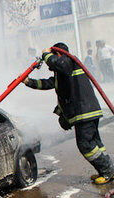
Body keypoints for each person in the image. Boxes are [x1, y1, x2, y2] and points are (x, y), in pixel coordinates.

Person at [22, 43, 114, 185]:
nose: (49, 65)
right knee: (95, 143)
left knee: (85, 145)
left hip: (84, 112)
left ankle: (107, 171)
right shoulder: (65, 71)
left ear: (59, 54)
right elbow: (49, 83)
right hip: (88, 111)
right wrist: (29, 82)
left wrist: (47, 54)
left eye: (53, 58)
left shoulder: (69, 61)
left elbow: (60, 64)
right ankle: (108, 170)